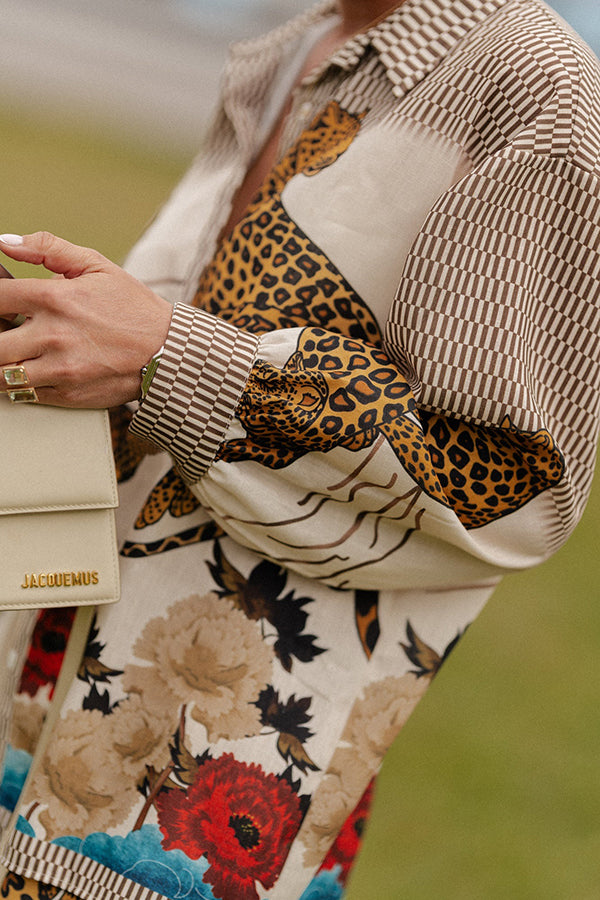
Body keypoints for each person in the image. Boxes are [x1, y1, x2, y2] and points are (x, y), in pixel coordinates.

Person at [0, 0, 599, 898]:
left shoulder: (535, 88)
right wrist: (47, 338)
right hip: (40, 703)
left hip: (210, 808)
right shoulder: (291, 49)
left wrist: (170, 356)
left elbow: (515, 489)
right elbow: (159, 353)